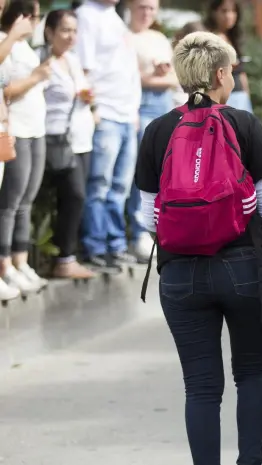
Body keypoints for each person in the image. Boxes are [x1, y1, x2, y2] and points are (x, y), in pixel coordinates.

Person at [134, 31, 262, 465]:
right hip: (245, 267)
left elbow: (146, 216)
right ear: (222, 74)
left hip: (181, 275)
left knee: (201, 387)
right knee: (252, 373)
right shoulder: (244, 125)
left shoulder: (158, 131)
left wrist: (187, 235)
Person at [75, 0, 141, 272]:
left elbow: (126, 67)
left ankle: (116, 245)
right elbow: (83, 69)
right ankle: (95, 246)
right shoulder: (86, 15)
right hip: (106, 114)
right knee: (99, 184)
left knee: (119, 188)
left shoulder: (114, 15)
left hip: (126, 115)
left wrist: (134, 110)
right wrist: (93, 108)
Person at [41, 9, 97, 279]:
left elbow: (80, 92)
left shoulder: (73, 61)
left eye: (75, 30)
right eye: (65, 30)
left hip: (81, 138)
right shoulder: (42, 60)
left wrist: (89, 100)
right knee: (74, 195)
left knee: (74, 198)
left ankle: (66, 256)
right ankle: (63, 258)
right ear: (49, 31)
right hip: (56, 140)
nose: (71, 36)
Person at [0, 0, 50, 295]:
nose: (35, 22)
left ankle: (20, 262)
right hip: (14, 130)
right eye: (33, 17)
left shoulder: (25, 47)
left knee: (25, 201)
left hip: (34, 130)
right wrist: (36, 77)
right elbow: (7, 89)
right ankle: (5, 264)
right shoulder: (7, 41)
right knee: (10, 203)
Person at [127, 0, 177, 263]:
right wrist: (152, 78)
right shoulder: (126, 37)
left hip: (163, 106)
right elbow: (131, 78)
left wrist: (158, 76)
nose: (146, 13)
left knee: (164, 173)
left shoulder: (159, 38)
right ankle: (139, 234)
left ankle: (161, 231)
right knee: (142, 173)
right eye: (141, 7)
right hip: (139, 105)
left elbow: (174, 79)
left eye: (151, 8)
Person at [205, 0, 252, 112]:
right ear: (214, 12)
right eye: (224, 11)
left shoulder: (234, 38)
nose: (229, 16)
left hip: (240, 98)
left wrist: (247, 97)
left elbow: (241, 74)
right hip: (222, 100)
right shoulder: (210, 39)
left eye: (233, 11)